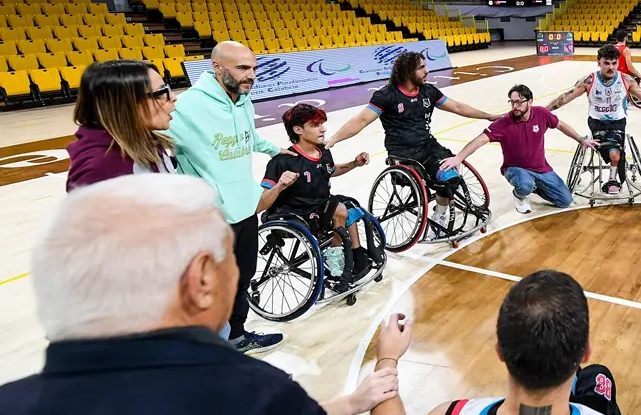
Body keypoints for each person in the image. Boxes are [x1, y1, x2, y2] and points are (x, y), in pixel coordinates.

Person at [0, 174, 403, 415]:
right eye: (231, 253)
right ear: (202, 281)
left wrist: (349, 403)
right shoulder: (252, 394)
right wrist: (387, 360)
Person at [167, 41, 288, 354]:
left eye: (254, 68)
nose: (251, 75)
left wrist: (276, 150)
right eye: (243, 68)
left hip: (244, 207)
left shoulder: (243, 99)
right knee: (211, 285)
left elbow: (248, 136)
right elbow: (154, 137)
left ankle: (236, 334)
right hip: (211, 216)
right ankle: (207, 345)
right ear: (217, 67)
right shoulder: (189, 105)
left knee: (242, 276)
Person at [326, 51, 499, 226]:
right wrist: (334, 139)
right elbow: (361, 120)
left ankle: (439, 214)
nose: (427, 71)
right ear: (408, 72)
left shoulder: (428, 91)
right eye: (421, 68)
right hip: (403, 154)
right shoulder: (386, 96)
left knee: (450, 177)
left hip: (428, 147)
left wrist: (487, 116)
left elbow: (457, 107)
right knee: (429, 182)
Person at [430, 270, 621, 415]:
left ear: (500, 351)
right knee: (597, 375)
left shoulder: (449, 412)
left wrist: (397, 362)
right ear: (586, 352)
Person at [258, 104, 378, 294]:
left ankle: (354, 254)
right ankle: (340, 261)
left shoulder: (323, 151)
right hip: (293, 213)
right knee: (339, 208)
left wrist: (353, 164)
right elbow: (261, 202)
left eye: (322, 123)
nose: (323, 129)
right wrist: (280, 185)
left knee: (350, 206)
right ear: (298, 130)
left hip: (320, 206)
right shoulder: (281, 161)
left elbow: (329, 171)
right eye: (315, 125)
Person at [441, 84, 597, 213]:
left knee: (565, 201)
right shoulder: (503, 122)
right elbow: (480, 140)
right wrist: (459, 157)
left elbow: (561, 125)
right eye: (512, 102)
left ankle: (532, 187)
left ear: (530, 101)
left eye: (519, 102)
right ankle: (520, 194)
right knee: (524, 184)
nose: (515, 106)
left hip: (541, 169)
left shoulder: (541, 114)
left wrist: (581, 139)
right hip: (514, 169)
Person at [546, 44, 641, 194]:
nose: (611, 67)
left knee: (614, 153)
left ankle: (613, 179)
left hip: (618, 122)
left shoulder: (626, 80)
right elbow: (564, 98)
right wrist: (542, 111)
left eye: (614, 63)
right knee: (610, 151)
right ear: (598, 62)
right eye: (606, 63)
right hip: (596, 122)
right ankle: (614, 165)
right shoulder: (588, 80)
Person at [66, 59, 177, 191]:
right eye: (161, 93)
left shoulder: (147, 142)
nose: (173, 97)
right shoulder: (100, 171)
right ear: (127, 104)